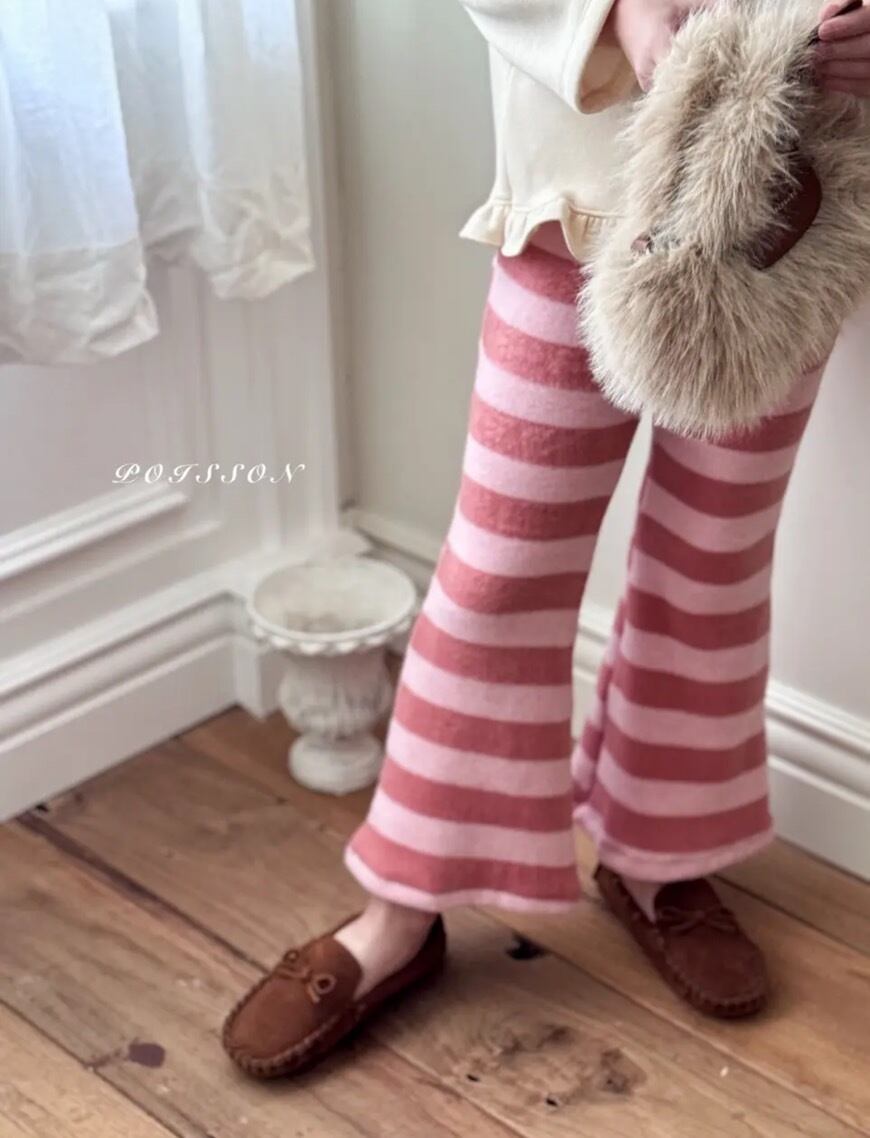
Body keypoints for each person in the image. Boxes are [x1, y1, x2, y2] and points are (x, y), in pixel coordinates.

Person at [222, 0, 870, 1079]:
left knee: (713, 563)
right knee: (499, 568)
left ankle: (661, 855)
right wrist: (624, 15)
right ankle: (401, 904)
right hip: (578, 193)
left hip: (785, 217)